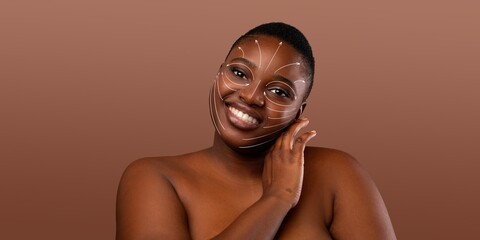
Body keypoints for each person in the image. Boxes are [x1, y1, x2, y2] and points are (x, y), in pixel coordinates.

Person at [116, 22, 397, 240]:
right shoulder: (154, 178)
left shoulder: (336, 174)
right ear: (218, 75)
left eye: (279, 91)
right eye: (239, 73)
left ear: (298, 112)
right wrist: (278, 198)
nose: (251, 97)